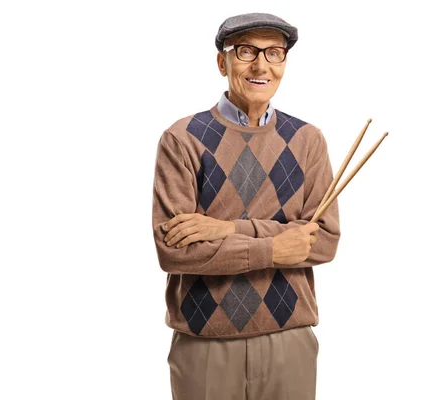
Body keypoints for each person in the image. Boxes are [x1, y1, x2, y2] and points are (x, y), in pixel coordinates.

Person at [151, 12, 340, 400]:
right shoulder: (182, 139)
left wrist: (227, 229)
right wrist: (273, 247)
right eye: (246, 51)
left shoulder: (308, 140)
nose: (261, 66)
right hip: (204, 341)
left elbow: (322, 242)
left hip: (289, 339)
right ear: (222, 62)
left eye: (274, 53)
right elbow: (174, 251)